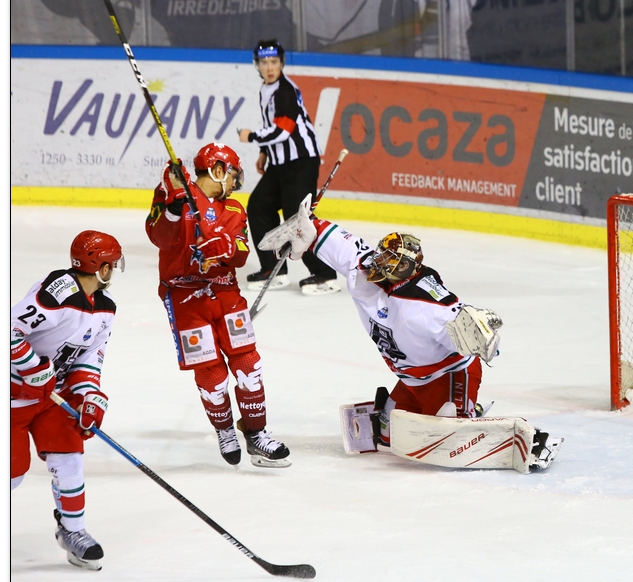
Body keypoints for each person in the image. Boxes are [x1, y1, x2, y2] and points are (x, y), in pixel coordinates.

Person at [258, 204, 503, 446]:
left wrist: (481, 334)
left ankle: (466, 413)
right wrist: (312, 229)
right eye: (382, 254)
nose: (380, 262)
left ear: (406, 267)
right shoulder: (365, 270)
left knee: (448, 438)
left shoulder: (424, 303)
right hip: (411, 378)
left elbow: (458, 319)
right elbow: (347, 247)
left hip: (448, 375)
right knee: (387, 436)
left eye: (390, 259)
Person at [145, 142, 291, 468]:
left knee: (248, 365)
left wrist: (225, 246)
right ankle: (225, 431)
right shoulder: (173, 192)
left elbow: (241, 254)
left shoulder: (235, 209)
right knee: (211, 373)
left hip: (226, 294)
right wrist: (173, 203)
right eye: (234, 175)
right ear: (218, 169)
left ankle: (256, 433)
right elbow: (159, 238)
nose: (236, 183)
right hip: (184, 297)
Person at [11, 230, 122, 571]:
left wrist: (90, 396)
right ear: (102, 268)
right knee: (12, 472)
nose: (114, 271)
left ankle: (73, 531)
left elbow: (88, 358)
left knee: (69, 456)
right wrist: (33, 368)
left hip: (52, 397)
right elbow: (9, 331)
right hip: (13, 395)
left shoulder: (105, 308)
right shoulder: (56, 293)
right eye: (112, 264)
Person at [238, 39, 340, 296]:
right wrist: (264, 152)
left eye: (274, 62)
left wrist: (252, 137)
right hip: (281, 163)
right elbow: (273, 125)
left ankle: (325, 274)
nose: (269, 67)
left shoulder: (285, 90)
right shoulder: (266, 88)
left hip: (301, 162)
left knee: (297, 218)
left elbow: (284, 130)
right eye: (264, 62)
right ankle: (273, 269)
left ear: (282, 63)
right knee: (259, 205)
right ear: (257, 65)